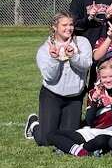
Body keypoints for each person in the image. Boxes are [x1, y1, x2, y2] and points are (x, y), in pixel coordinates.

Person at [26, 14, 94, 146]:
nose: (69, 28)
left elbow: (86, 65)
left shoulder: (82, 42)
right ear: (55, 27)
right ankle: (33, 124)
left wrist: (73, 56)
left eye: (71, 24)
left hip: (74, 97)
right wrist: (55, 59)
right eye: (64, 25)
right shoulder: (45, 49)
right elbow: (50, 77)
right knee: (46, 141)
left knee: (67, 138)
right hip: (52, 95)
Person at [49, 60, 112, 156]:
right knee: (52, 134)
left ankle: (71, 148)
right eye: (104, 77)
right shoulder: (94, 93)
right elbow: (89, 121)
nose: (108, 80)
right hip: (90, 132)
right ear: (100, 77)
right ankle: (82, 151)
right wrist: (94, 103)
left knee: (100, 140)